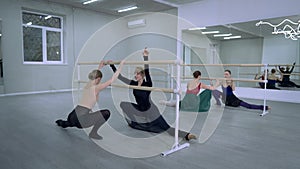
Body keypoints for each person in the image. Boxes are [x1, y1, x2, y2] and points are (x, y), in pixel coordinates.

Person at [108, 48, 196, 141]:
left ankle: (187, 135)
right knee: (123, 104)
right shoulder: (133, 83)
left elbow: (147, 71)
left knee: (166, 128)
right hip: (139, 108)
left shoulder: (148, 84)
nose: (136, 75)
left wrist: (145, 57)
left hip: (151, 110)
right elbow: (120, 77)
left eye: (138, 74)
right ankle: (135, 123)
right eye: (135, 74)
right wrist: (112, 66)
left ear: (142, 75)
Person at [55, 60, 125, 140]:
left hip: (72, 115)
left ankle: (62, 123)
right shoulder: (96, 88)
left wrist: (100, 66)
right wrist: (121, 65)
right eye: (100, 79)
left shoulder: (87, 85)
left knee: (69, 123)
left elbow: (96, 75)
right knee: (106, 113)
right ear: (98, 79)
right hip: (81, 119)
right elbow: (113, 79)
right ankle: (93, 133)